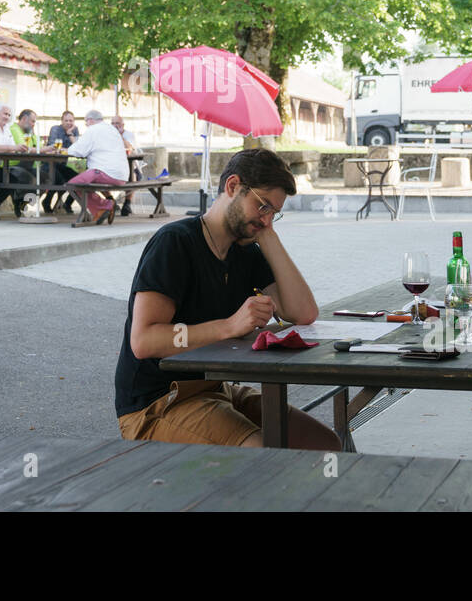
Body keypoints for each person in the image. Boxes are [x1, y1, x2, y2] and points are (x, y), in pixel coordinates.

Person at [115, 148, 338, 449]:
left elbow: (304, 313)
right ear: (233, 186)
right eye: (262, 206)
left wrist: (267, 234)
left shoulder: (246, 250)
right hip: (158, 402)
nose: (266, 218)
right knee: (259, 453)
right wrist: (230, 326)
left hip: (215, 389)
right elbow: (144, 341)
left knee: (323, 443)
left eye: (274, 212)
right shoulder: (175, 242)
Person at [64, 110, 130, 223]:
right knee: (84, 182)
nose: (86, 125)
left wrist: (65, 150)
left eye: (86, 123)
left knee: (73, 185)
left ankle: (105, 205)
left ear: (90, 120)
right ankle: (100, 210)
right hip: (122, 175)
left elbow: (78, 151)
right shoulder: (112, 129)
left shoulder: (93, 130)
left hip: (105, 172)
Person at [42, 110, 81, 214]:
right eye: (66, 120)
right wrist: (67, 149)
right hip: (51, 163)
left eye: (71, 121)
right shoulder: (55, 129)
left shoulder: (74, 131)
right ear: (62, 121)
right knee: (59, 180)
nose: (69, 123)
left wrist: (70, 134)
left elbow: (79, 148)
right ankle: (46, 202)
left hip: (66, 164)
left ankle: (68, 203)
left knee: (79, 178)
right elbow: (52, 147)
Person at [111, 114, 141, 216]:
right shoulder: (108, 135)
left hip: (131, 165)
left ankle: (127, 204)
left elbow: (130, 148)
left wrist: (119, 135)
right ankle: (110, 201)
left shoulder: (128, 135)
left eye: (117, 123)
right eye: (113, 123)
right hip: (113, 166)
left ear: (123, 125)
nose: (115, 126)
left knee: (132, 173)